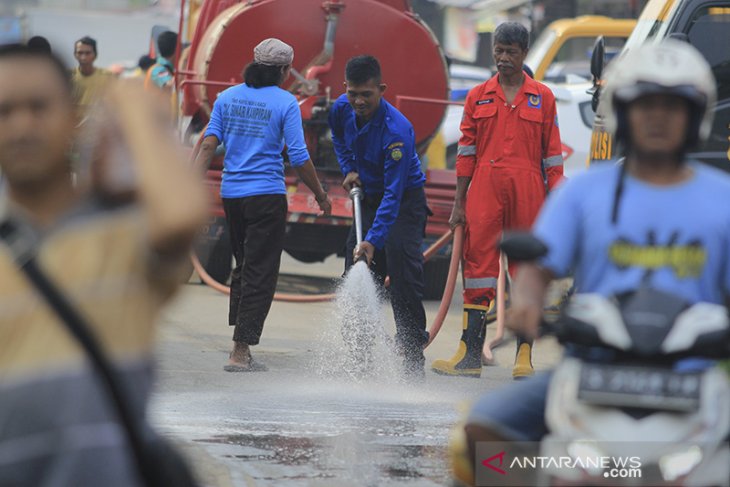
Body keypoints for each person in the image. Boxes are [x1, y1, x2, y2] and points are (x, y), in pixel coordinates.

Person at [461, 39, 725, 483]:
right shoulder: (583, 193)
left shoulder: (723, 199)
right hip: (593, 370)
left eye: (673, 106)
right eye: (645, 105)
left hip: (698, 377)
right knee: (480, 434)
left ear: (696, 115)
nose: (657, 117)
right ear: (623, 111)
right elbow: (539, 266)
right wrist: (526, 303)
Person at [0, 44, 206, 485]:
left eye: (39, 107)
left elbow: (184, 211)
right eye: (5, 111)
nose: (22, 126)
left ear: (73, 117)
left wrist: (134, 109)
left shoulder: (123, 236)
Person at [431, 22, 564, 379]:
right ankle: (470, 354)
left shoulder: (543, 97)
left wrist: (559, 204)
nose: (504, 59)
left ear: (524, 53)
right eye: (499, 51)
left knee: (526, 271)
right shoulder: (478, 96)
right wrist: (459, 202)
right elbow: (466, 152)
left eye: (511, 52)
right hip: (485, 189)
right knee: (478, 270)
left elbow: (552, 157)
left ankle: (524, 357)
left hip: (529, 189)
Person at [194, 38, 332, 372]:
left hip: (233, 196)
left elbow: (208, 145)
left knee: (243, 266)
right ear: (286, 71)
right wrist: (321, 194)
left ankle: (240, 342)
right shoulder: (285, 102)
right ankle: (240, 351)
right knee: (260, 271)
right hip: (266, 197)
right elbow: (298, 156)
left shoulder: (227, 98)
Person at [329, 55, 430, 379]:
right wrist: (349, 169)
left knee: (403, 278)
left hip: (403, 204)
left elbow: (395, 193)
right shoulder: (340, 109)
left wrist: (374, 239)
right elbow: (338, 139)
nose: (359, 101)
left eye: (366, 95)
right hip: (369, 198)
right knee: (356, 272)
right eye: (353, 93)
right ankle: (360, 360)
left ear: (381, 89)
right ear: (345, 88)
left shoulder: (397, 130)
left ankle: (413, 360)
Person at [71, 36, 113, 112]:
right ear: (75, 55)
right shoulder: (67, 77)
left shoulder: (108, 77)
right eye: (80, 53)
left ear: (95, 55)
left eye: (88, 53)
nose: (83, 57)